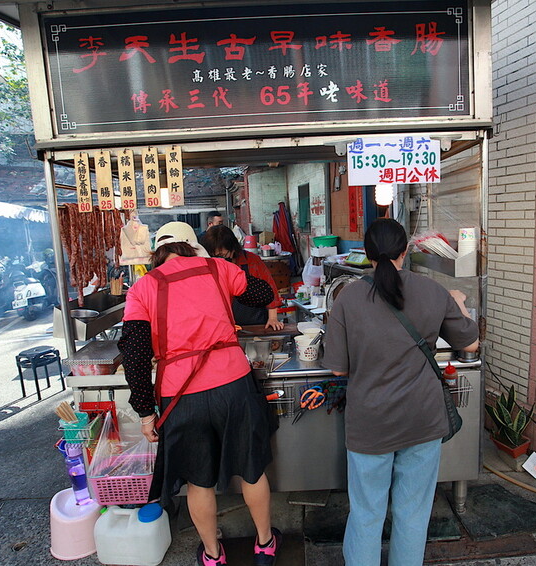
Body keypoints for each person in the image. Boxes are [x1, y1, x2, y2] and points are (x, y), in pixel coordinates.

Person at [118, 221, 282, 566]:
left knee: (198, 481)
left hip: (180, 395)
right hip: (234, 386)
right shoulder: (218, 267)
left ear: (157, 253)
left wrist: (146, 412)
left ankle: (212, 555)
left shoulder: (143, 288)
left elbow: (133, 355)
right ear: (193, 246)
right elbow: (263, 294)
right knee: (252, 469)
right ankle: (265, 545)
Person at [321, 218, 479, 566]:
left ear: (367, 254)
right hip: (421, 419)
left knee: (366, 511)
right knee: (412, 511)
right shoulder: (433, 291)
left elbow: (338, 369)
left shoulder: (350, 297)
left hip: (370, 423)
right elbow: (471, 343)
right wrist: (459, 303)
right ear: (404, 252)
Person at [201, 225, 285, 331]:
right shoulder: (207, 266)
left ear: (233, 248)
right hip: (225, 327)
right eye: (215, 256)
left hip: (255, 324)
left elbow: (271, 290)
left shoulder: (252, 260)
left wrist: (273, 318)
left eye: (223, 255)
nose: (220, 260)